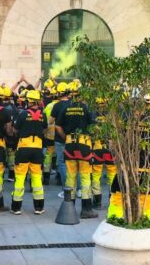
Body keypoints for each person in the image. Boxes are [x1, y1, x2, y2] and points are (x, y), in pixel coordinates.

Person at [56, 80, 96, 218]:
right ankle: (86, 209)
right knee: (85, 177)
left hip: (69, 144)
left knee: (70, 176)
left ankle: (69, 206)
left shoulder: (65, 108)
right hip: (84, 144)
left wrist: (65, 137)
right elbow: (94, 127)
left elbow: (58, 127)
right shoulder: (87, 108)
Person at [11, 89, 47, 215]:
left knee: (20, 178)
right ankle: (39, 207)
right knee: (37, 178)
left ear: (29, 101)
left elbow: (15, 130)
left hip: (23, 148)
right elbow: (44, 129)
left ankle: (16, 207)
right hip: (37, 149)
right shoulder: (43, 115)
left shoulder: (22, 114)